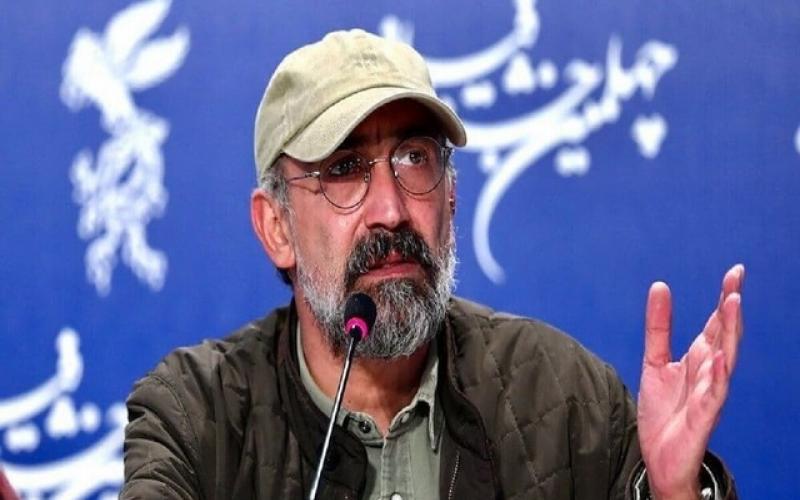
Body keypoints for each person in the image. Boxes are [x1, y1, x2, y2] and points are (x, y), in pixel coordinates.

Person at [122, 29, 743, 499]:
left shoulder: (566, 398)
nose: (391, 210)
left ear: (450, 195)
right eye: (344, 169)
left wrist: (674, 494)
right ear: (276, 227)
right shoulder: (196, 416)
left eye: (414, 158)